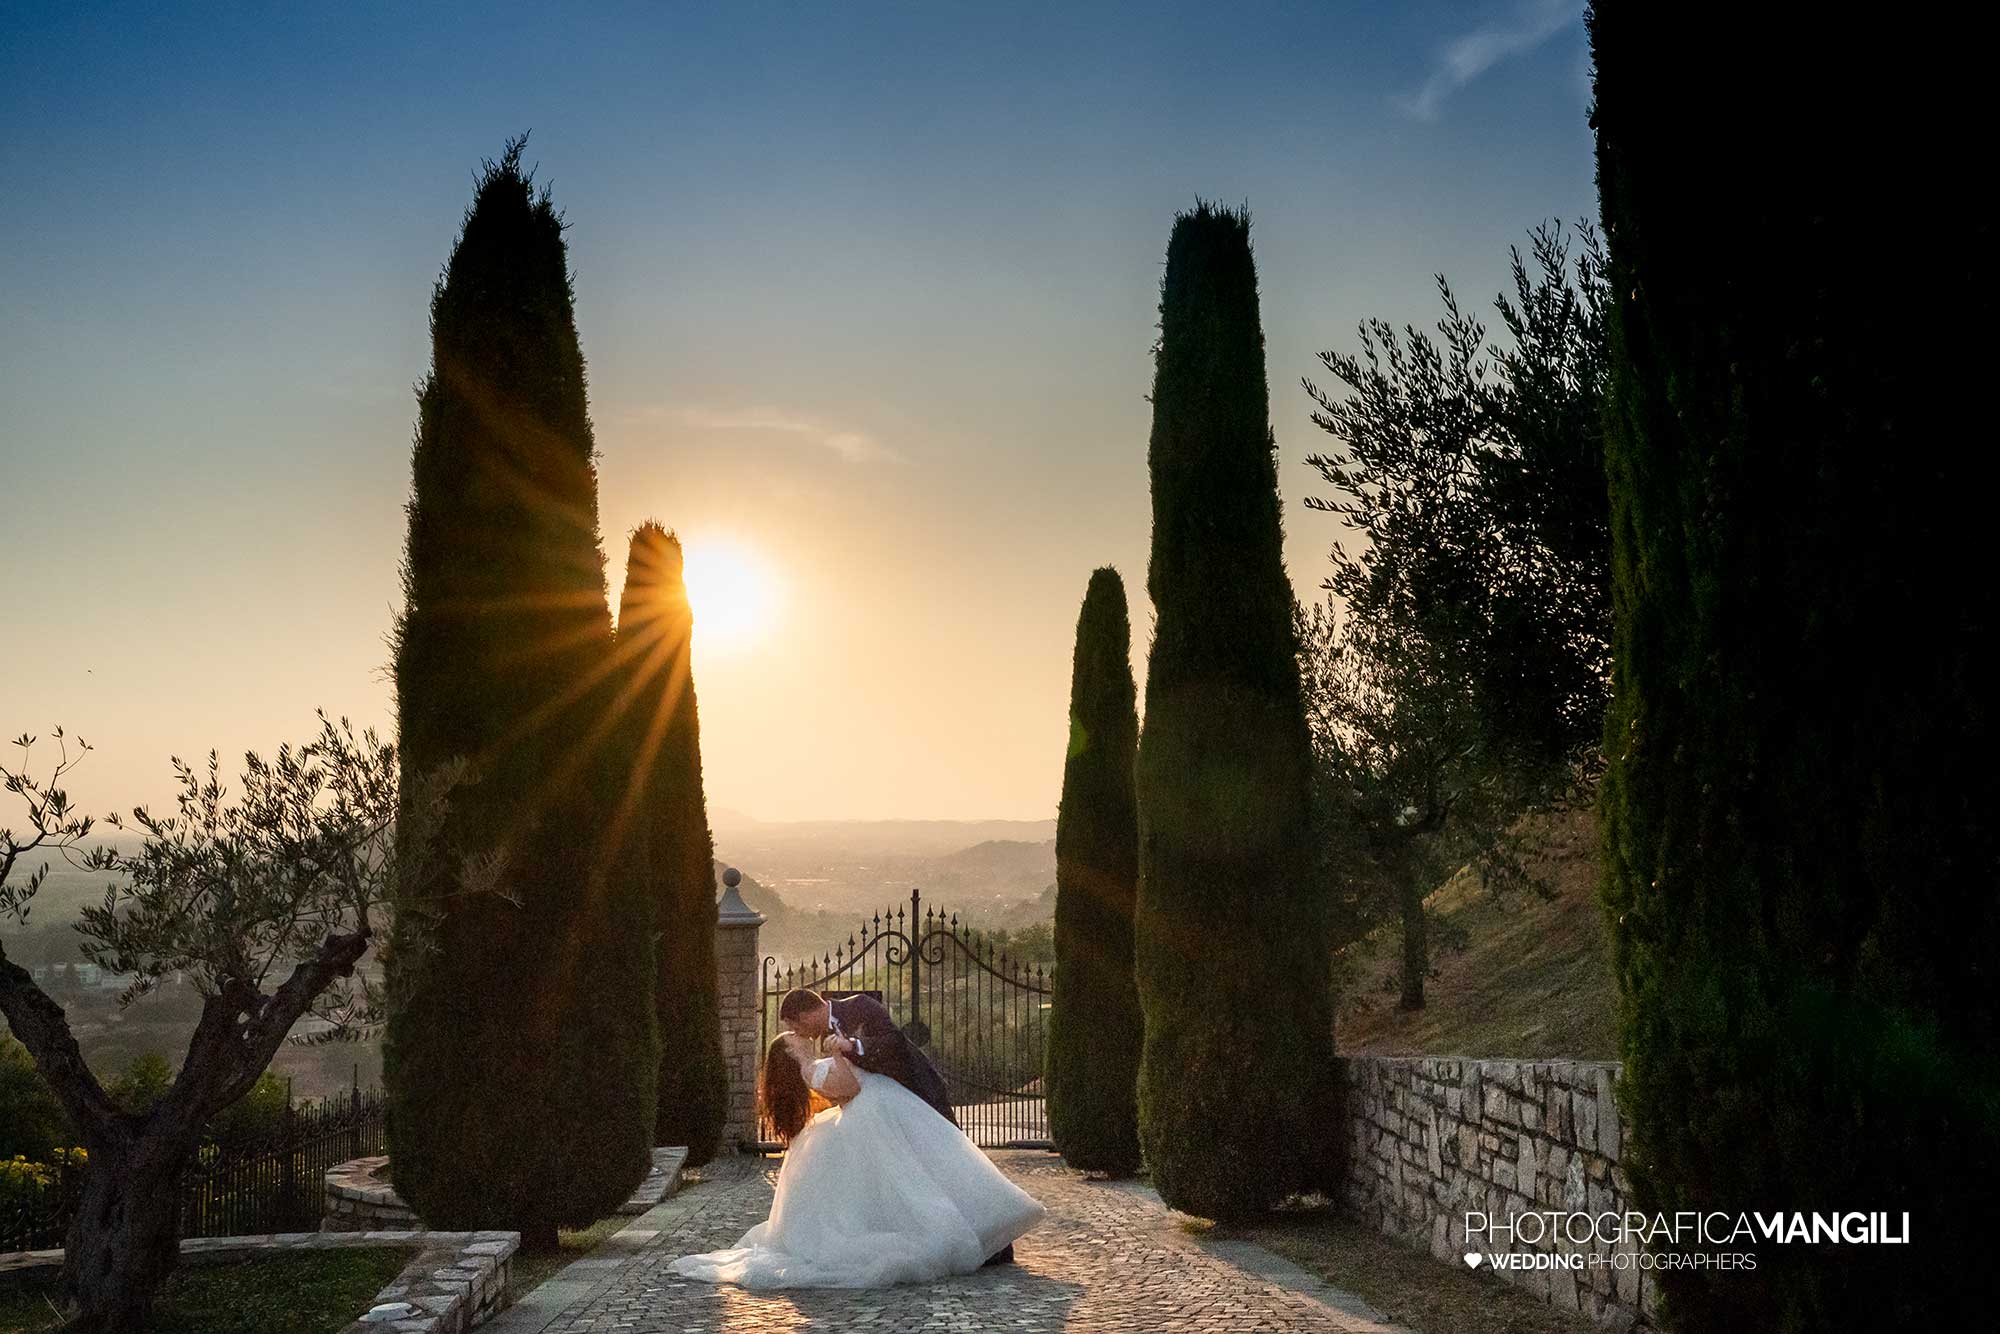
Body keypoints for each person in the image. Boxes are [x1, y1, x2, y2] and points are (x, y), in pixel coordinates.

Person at [669, 1032, 1044, 1289]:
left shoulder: (812, 1065)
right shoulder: (810, 1067)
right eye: (794, 1039)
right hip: (866, 1121)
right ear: (789, 1052)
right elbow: (849, 1088)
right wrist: (836, 1053)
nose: (800, 1036)